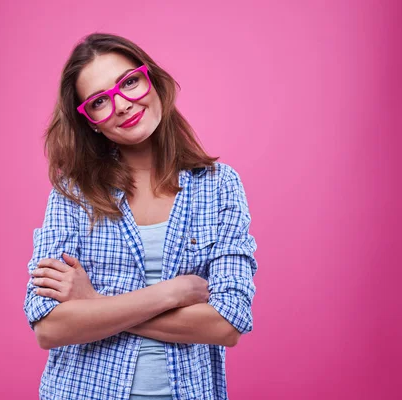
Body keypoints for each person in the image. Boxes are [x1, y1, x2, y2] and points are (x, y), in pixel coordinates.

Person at [23, 32, 258, 400]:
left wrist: (95, 305)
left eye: (129, 82)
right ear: (91, 122)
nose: (122, 105)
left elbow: (228, 323)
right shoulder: (73, 193)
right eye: (100, 101)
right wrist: (173, 292)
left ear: (153, 81)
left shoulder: (220, 186)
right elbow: (50, 328)